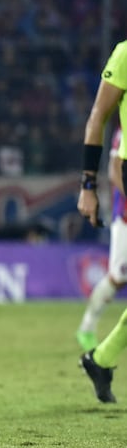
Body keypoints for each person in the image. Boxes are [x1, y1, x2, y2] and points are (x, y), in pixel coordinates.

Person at [77, 38, 127, 403]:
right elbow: (98, 118)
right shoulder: (125, 53)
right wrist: (88, 186)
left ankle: (102, 358)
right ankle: (98, 351)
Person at [76, 127, 127, 352]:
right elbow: (115, 170)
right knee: (118, 277)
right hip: (125, 215)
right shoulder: (122, 132)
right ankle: (86, 327)